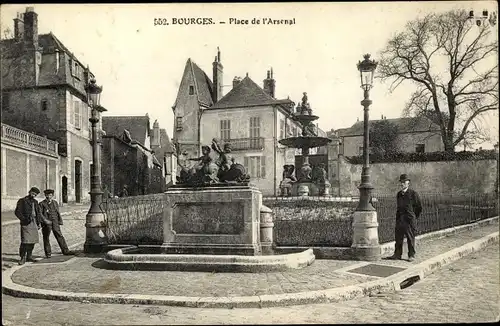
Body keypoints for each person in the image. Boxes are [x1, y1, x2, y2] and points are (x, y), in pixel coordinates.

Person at [388, 174, 422, 262]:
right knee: (398, 238)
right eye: (401, 182)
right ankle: (397, 254)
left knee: (410, 238)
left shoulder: (413, 194)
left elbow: (418, 207)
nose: (402, 184)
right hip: (400, 219)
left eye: (404, 182)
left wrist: (413, 217)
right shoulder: (399, 194)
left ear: (408, 183)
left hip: (409, 220)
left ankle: (411, 255)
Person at [39, 189, 73, 258]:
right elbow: (40, 214)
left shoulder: (55, 203)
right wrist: (45, 220)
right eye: (47, 195)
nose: (49, 197)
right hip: (46, 223)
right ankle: (48, 253)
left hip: (55, 222)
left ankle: (65, 251)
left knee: (59, 235)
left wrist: (58, 220)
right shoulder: (41, 204)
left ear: (52, 196)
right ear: (45, 195)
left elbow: (57, 212)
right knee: (46, 237)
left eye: (50, 195)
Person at [14, 187, 42, 265]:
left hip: (34, 223)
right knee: (25, 241)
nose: (33, 196)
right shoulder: (22, 201)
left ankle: (29, 256)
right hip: (26, 223)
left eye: (35, 195)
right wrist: (23, 219)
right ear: (29, 192)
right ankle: (22, 257)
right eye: (33, 194)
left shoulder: (35, 202)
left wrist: (38, 223)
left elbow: (38, 213)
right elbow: (17, 212)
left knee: (32, 241)